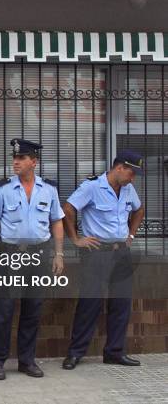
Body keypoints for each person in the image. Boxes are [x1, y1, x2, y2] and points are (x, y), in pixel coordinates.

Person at [0, 138, 65, 380]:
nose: (16, 162)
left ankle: (26, 361)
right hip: (11, 254)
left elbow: (57, 221)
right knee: (5, 309)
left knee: (33, 308)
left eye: (21, 158)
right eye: (14, 158)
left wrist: (58, 254)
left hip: (39, 254)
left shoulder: (49, 189)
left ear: (34, 162)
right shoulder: (3, 188)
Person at [62, 150, 145, 370]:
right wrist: (76, 239)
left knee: (121, 304)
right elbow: (68, 209)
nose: (133, 178)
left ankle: (115, 352)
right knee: (90, 303)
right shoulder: (92, 187)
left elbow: (139, 210)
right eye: (131, 172)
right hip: (96, 253)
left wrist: (131, 235)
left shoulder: (128, 188)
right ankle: (75, 353)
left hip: (121, 253)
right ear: (119, 168)